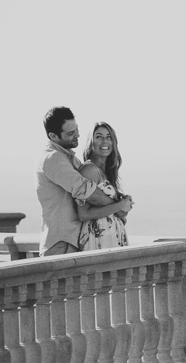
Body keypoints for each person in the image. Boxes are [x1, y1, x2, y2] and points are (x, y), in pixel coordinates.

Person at [36, 106, 126, 256]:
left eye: (76, 129)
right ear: (53, 136)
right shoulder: (53, 159)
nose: (78, 134)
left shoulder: (70, 159)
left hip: (71, 241)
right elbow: (86, 190)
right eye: (71, 133)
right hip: (61, 243)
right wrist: (119, 207)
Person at [76, 121, 133, 250]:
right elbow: (83, 214)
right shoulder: (89, 169)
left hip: (112, 240)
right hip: (97, 241)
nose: (105, 141)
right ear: (91, 143)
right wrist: (119, 205)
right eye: (99, 137)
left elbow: (108, 208)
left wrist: (123, 204)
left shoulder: (106, 172)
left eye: (108, 137)